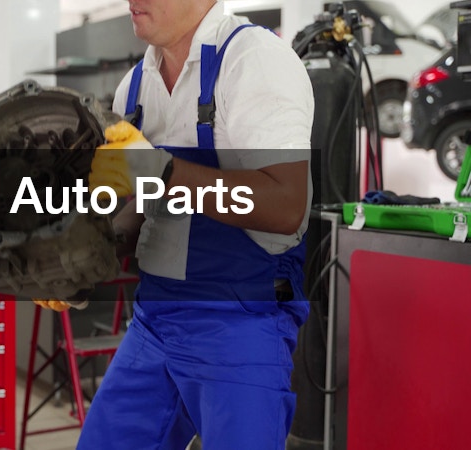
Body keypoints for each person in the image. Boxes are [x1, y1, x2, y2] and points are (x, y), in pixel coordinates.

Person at [35, 0, 315, 448]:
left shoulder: (254, 61)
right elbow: (148, 204)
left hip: (240, 324)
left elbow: (285, 206)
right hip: (155, 320)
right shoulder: (135, 87)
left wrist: (161, 170)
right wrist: (88, 256)